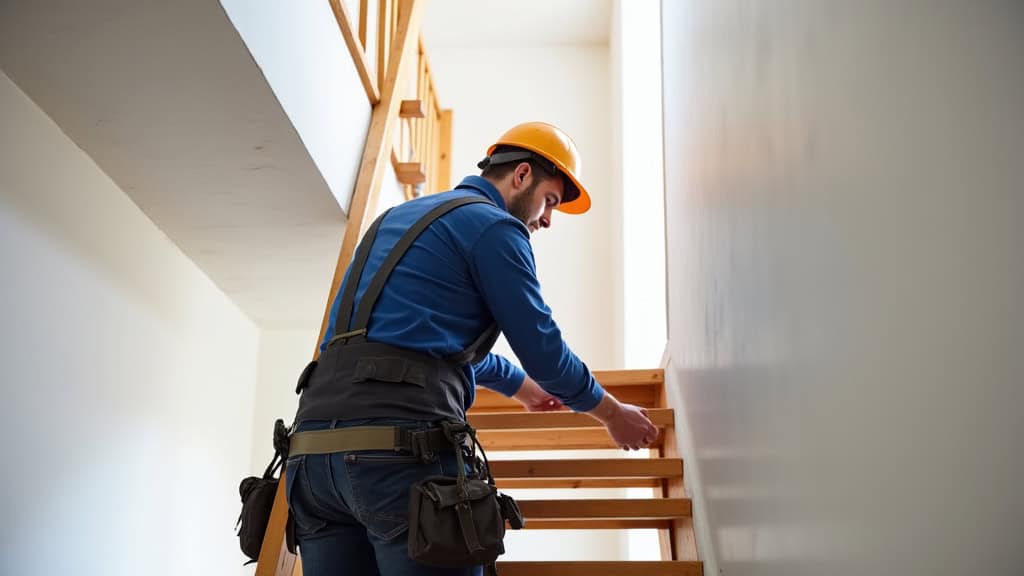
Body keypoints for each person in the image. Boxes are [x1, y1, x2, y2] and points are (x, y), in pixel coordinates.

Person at [285, 121, 659, 576]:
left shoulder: (398, 219)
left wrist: (519, 387)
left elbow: (412, 344)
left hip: (312, 458)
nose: (547, 219)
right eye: (550, 202)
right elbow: (544, 350)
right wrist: (612, 413)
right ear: (521, 175)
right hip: (398, 456)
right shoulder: (495, 228)